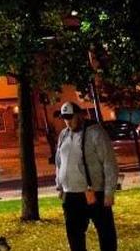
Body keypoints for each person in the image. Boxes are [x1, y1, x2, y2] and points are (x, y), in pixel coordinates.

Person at [54, 102, 119, 251]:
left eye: (70, 117)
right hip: (70, 194)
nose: (68, 121)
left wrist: (109, 192)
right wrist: (59, 185)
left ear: (79, 115)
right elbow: (59, 162)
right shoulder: (64, 135)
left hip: (94, 192)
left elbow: (109, 163)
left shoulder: (95, 133)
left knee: (105, 232)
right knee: (74, 234)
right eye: (65, 118)